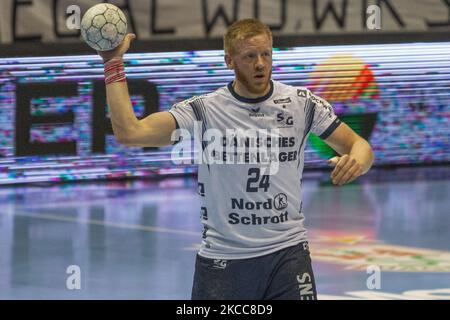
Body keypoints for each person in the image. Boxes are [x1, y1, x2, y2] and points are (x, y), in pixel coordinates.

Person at [98, 18, 374, 300]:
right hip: (225, 261)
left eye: (266, 54)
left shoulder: (301, 103)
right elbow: (130, 133)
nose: (260, 64)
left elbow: (359, 145)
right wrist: (113, 63)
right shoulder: (205, 110)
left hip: (288, 254)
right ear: (229, 61)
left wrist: (357, 162)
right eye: (249, 56)